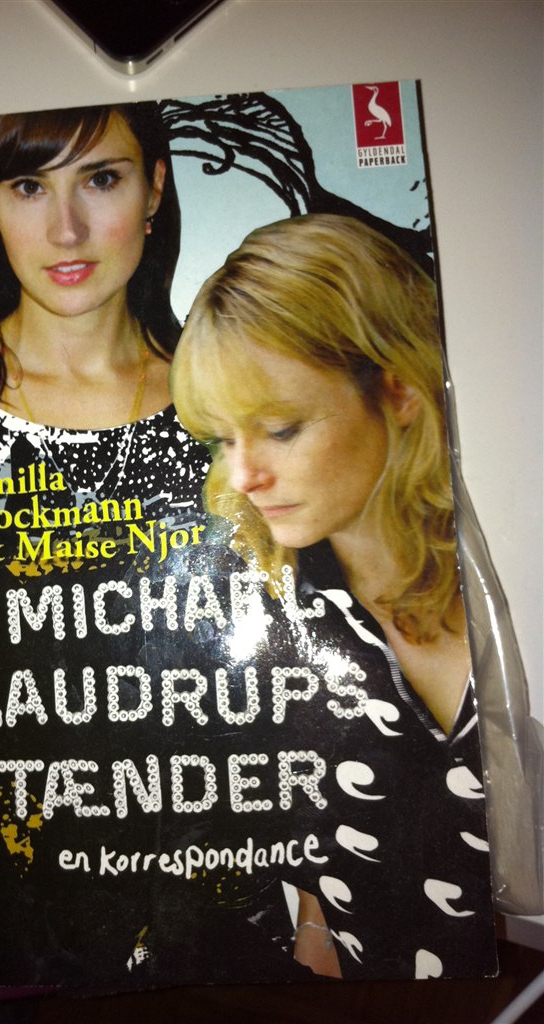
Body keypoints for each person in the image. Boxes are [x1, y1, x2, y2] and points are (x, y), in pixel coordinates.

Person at [0, 103, 213, 987]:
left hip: (190, 880)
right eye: (29, 186)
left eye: (101, 179)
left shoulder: (223, 401)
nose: (66, 229)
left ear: (155, 187)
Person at [170, 214, 497, 981]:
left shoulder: (509, 572)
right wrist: (316, 945)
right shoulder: (257, 610)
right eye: (223, 439)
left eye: (281, 429)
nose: (243, 475)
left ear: (399, 389)